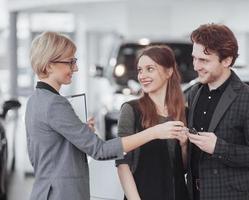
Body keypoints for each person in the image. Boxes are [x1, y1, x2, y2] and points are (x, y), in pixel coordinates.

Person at [25, 32, 184, 200]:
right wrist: (154, 132)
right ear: (49, 66)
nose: (75, 68)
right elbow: (100, 150)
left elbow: (43, 156)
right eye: (70, 62)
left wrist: (80, 133)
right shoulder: (56, 104)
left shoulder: (35, 101)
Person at [185, 23, 249, 200]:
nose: (196, 66)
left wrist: (218, 147)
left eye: (204, 60)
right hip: (194, 195)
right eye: (194, 58)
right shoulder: (194, 92)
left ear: (226, 60)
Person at [116, 45, 189, 200]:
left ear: (169, 72)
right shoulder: (131, 110)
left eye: (150, 69)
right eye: (140, 70)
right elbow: (123, 164)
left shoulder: (183, 113)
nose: (142, 75)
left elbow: (183, 169)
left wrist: (184, 146)